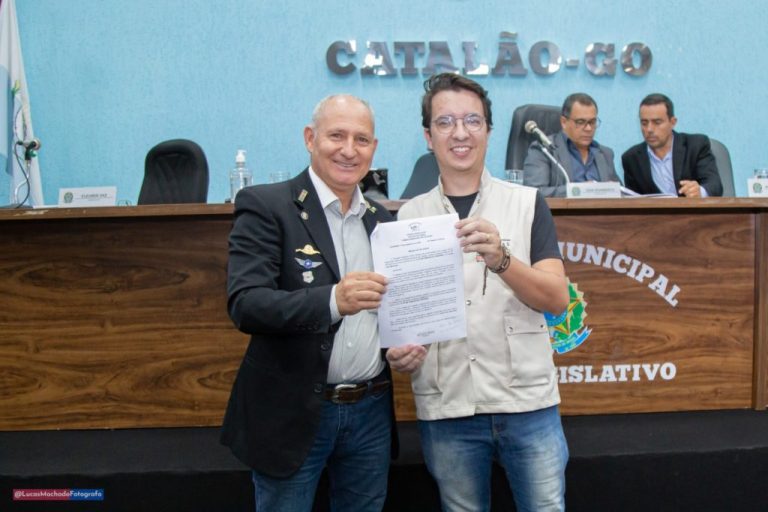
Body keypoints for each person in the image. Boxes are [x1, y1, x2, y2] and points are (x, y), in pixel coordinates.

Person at [390, 73, 571, 512]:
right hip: (448, 407)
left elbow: (557, 299)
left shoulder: (526, 203)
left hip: (527, 404)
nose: (460, 133)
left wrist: (503, 260)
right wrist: (398, 352)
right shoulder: (408, 217)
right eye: (445, 122)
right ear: (428, 137)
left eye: (472, 120)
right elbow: (403, 319)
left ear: (488, 130)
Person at [221, 94, 396, 511]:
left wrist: (402, 345)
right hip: (294, 412)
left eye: (361, 139)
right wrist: (333, 301)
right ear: (309, 138)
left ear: (373, 148)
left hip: (370, 411)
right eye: (337, 136)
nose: (349, 150)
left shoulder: (383, 220)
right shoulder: (267, 205)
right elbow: (246, 303)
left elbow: (390, 309)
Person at [622, 93, 723, 197]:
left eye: (657, 122)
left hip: (692, 207)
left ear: (672, 122)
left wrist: (700, 192)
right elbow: (633, 200)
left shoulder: (696, 146)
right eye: (644, 123)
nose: (649, 129)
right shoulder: (631, 159)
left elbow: (714, 185)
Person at [524, 93, 620, 197]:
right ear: (564, 122)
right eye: (580, 122)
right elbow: (535, 193)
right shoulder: (544, 150)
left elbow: (623, 194)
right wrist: (580, 190)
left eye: (592, 122)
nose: (588, 128)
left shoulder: (605, 154)